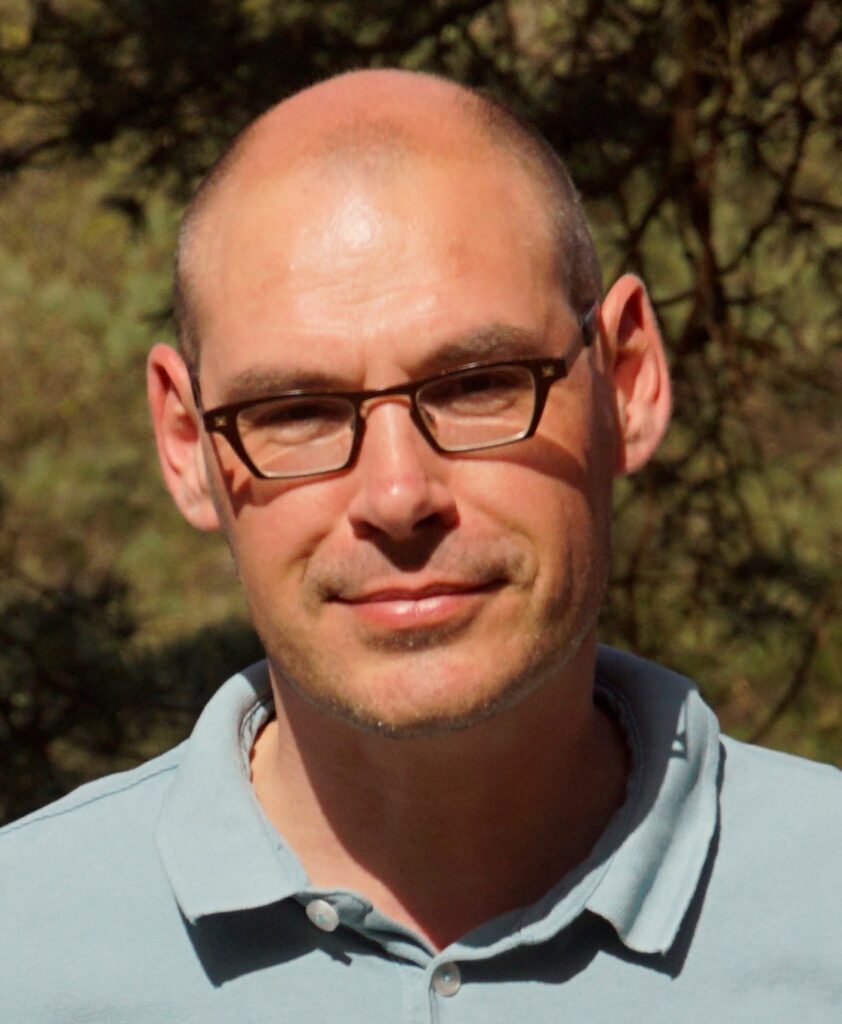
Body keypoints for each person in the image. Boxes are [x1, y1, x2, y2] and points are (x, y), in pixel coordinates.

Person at [1, 69, 840, 1021]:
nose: (399, 496)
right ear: (187, 446)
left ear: (626, 384)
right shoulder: (23, 955)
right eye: (297, 410)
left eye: (478, 384)